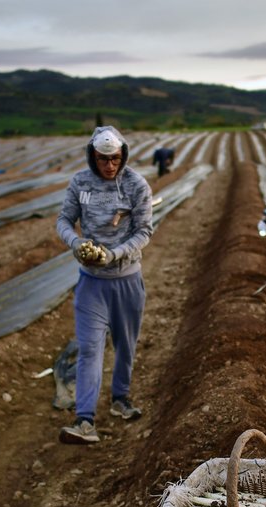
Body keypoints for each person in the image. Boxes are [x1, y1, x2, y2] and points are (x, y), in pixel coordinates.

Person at [55, 126, 154, 444]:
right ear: (92, 156)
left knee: (125, 344)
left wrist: (113, 254)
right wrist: (76, 244)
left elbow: (144, 231)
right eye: (102, 159)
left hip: (126, 281)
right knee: (90, 349)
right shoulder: (80, 183)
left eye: (115, 159)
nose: (109, 166)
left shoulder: (136, 185)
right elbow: (63, 220)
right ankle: (84, 420)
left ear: (123, 155)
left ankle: (120, 399)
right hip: (91, 285)